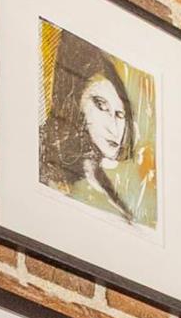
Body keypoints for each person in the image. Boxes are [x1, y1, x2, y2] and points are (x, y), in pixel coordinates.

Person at [38, 31, 153, 228]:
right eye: (101, 105)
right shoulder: (46, 169)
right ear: (75, 102)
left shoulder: (111, 192)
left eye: (120, 114)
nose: (114, 127)